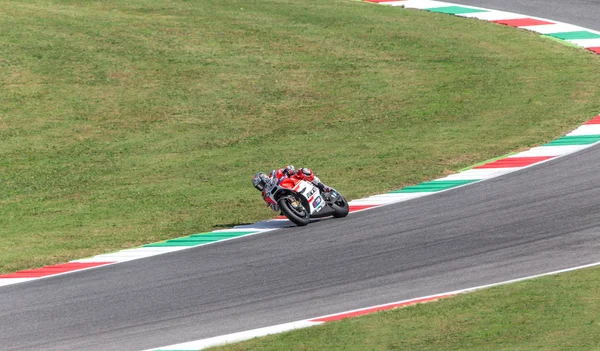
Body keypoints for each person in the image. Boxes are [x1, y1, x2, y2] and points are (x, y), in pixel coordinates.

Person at [252, 165, 332, 212]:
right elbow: (275, 209)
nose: (261, 187)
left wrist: (288, 170)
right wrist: (274, 204)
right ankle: (297, 208)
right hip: (288, 202)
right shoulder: (265, 195)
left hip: (292, 184)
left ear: (264, 178)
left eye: (261, 184)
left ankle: (323, 187)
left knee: (303, 171)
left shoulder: (273, 175)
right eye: (259, 186)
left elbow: (288, 168)